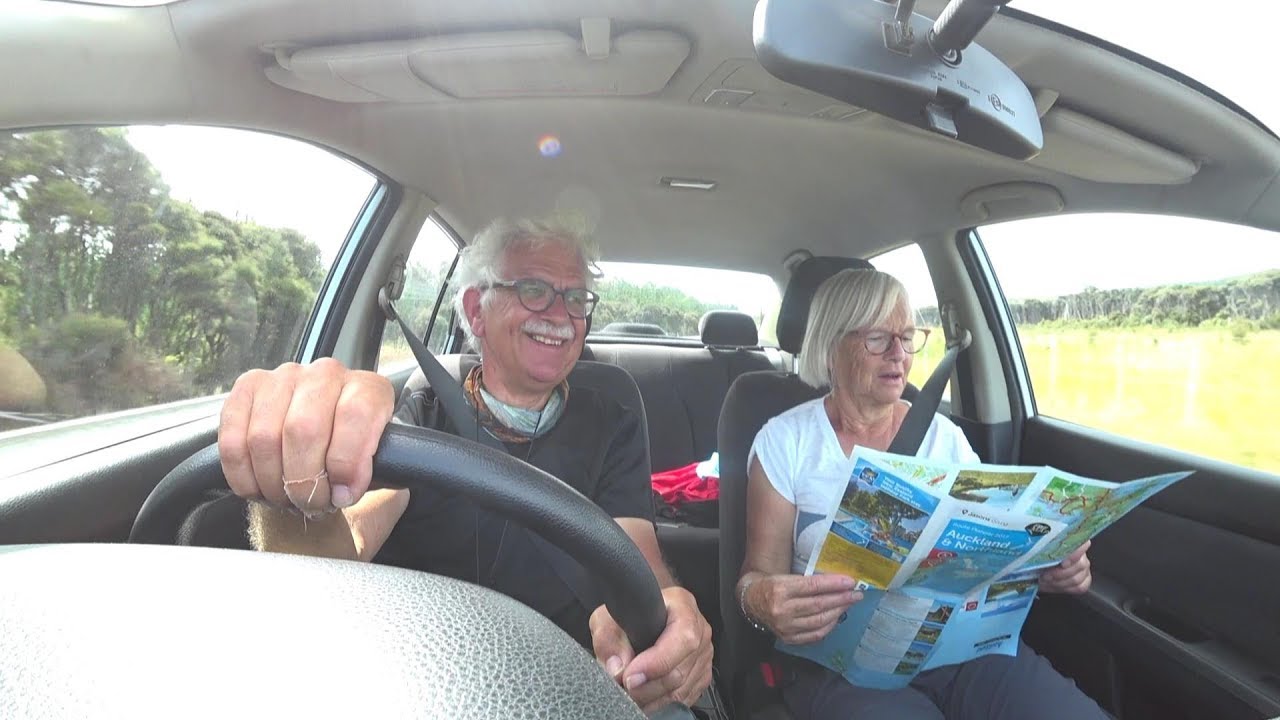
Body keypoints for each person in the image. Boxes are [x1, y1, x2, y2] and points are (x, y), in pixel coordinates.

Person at [217, 216, 713, 715]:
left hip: (574, 672)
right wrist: (294, 474)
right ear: (477, 310)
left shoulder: (613, 423)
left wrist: (664, 613)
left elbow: (637, 555)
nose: (561, 315)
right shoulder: (417, 418)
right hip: (429, 677)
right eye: (535, 289)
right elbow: (346, 542)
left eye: (576, 298)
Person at [734, 269, 1104, 720]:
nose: (899, 354)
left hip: (962, 654)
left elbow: (992, 552)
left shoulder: (945, 440)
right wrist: (763, 602)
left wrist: (1047, 568)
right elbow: (755, 577)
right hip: (843, 667)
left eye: (908, 337)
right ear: (831, 346)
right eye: (878, 338)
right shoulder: (785, 441)